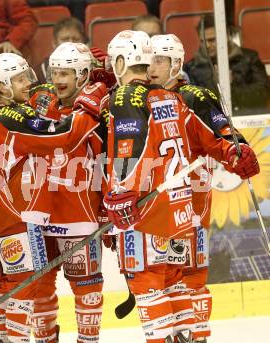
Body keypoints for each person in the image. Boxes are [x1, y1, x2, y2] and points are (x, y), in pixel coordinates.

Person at [100, 30, 247, 343]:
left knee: (148, 283)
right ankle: (186, 337)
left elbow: (131, 148)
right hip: (179, 209)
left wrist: (121, 192)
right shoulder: (170, 98)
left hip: (147, 209)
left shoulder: (129, 96)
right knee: (174, 281)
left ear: (123, 61)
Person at [0, 52, 107, 343]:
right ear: (1, 86)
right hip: (25, 219)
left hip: (29, 217)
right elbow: (65, 135)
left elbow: (102, 158)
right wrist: (92, 101)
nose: (31, 83)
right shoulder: (19, 117)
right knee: (30, 288)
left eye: (28, 76)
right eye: (20, 78)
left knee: (18, 285)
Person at [149, 33, 260, 342]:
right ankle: (171, 333)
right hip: (155, 207)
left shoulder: (194, 96)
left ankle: (196, 335)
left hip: (191, 203)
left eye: (161, 60)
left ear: (176, 63)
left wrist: (237, 150)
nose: (153, 67)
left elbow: (225, 133)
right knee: (162, 277)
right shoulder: (139, 99)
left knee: (190, 274)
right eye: (150, 60)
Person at [29, 42, 106, 343]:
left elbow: (105, 162)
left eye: (67, 73)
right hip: (40, 212)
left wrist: (104, 208)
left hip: (79, 214)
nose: (58, 78)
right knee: (39, 285)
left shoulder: (98, 112)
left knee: (87, 286)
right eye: (55, 71)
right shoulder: (40, 102)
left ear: (83, 74)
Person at [184, 14, 270, 116]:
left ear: (226, 35)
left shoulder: (250, 58)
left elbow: (263, 94)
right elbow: (194, 106)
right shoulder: (192, 67)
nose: (207, 45)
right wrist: (215, 84)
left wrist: (231, 83)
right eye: (203, 41)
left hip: (249, 119)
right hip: (214, 125)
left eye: (212, 40)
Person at [39, 16, 88, 83]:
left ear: (83, 41)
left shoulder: (91, 66)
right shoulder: (43, 68)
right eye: (65, 39)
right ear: (54, 43)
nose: (70, 43)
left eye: (75, 39)